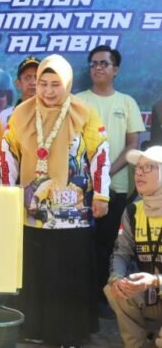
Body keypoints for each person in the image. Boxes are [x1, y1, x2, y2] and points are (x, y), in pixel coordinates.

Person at [1, 54, 111, 347]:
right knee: (37, 270)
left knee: (69, 271)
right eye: (43, 84)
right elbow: (8, 155)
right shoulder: (22, 113)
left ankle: (69, 333)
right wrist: (7, 194)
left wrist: (102, 195)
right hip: (33, 210)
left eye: (56, 84)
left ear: (68, 84)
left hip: (73, 211)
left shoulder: (84, 113)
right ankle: (35, 329)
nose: (48, 91)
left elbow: (99, 154)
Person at [77, 45, 145, 316]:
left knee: (107, 245)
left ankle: (103, 298)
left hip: (116, 187)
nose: (98, 68)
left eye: (104, 63)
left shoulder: (127, 103)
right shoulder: (77, 101)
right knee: (81, 245)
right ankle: (82, 299)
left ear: (115, 70)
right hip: (81, 188)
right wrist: (91, 175)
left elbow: (133, 145)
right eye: (93, 63)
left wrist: (106, 173)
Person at [105, 146, 162, 348]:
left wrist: (155, 280)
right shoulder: (132, 210)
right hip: (151, 294)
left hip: (155, 284)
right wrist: (116, 278)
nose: (138, 173)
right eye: (137, 168)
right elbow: (121, 252)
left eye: (148, 167)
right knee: (116, 289)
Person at [0, 56, 40, 127]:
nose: (33, 82)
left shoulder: (51, 115)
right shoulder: (5, 116)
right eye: (27, 77)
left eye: (37, 77)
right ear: (18, 83)